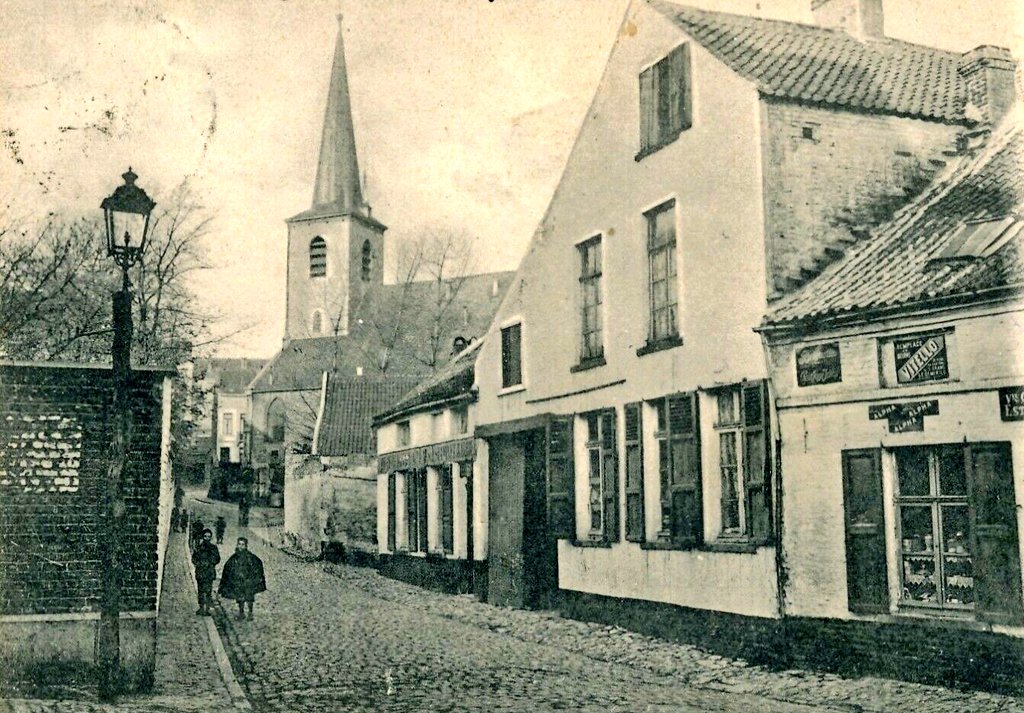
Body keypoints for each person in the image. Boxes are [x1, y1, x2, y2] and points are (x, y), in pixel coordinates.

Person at [218, 537, 266, 621]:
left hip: (248, 581)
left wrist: (254, 578)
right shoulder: (234, 557)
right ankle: (241, 613)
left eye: (242, 545)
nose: (240, 546)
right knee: (240, 598)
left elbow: (258, 564)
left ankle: (250, 613)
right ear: (237, 545)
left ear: (246, 546)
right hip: (238, 582)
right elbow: (227, 567)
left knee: (249, 597)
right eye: (239, 544)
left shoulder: (250, 557)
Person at [191, 528, 220, 616]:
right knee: (200, 590)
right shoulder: (199, 548)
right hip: (200, 572)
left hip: (209, 572)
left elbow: (217, 558)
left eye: (209, 537)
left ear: (210, 538)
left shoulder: (214, 548)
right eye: (205, 536)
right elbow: (194, 558)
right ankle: (201, 608)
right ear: (203, 537)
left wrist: (210, 563)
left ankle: (206, 609)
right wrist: (199, 563)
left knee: (208, 591)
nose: (207, 538)